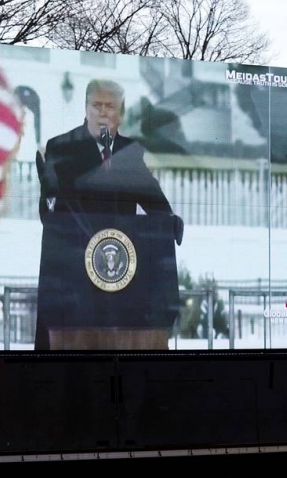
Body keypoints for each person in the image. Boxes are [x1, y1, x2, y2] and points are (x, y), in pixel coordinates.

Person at [34, 78, 183, 350]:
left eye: (110, 107)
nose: (103, 112)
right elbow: (49, 209)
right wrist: (50, 194)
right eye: (97, 105)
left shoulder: (129, 151)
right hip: (75, 277)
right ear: (86, 109)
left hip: (118, 280)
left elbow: (151, 196)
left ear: (120, 114)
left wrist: (169, 221)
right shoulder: (61, 147)